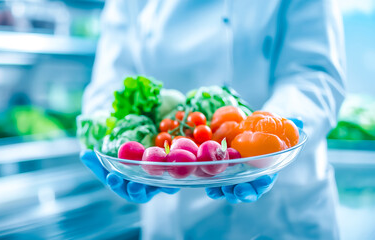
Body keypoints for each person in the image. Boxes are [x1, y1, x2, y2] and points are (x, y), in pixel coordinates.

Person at [81, 0, 346, 239]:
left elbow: (314, 73)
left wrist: (277, 133)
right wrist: (101, 133)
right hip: (168, 191)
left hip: (279, 205)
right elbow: (112, 80)